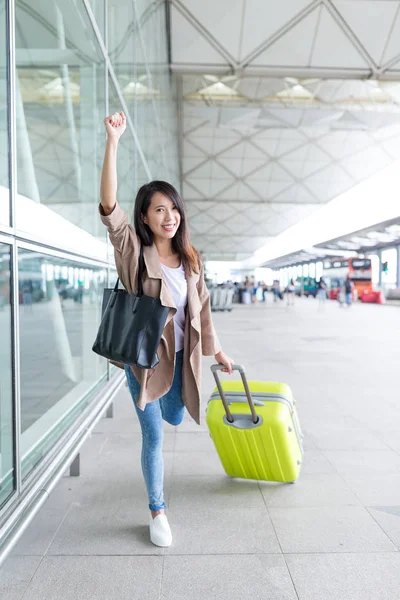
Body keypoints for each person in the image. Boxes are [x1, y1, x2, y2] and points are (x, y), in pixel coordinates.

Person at [99, 111, 234, 549]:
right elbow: (109, 210)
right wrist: (114, 142)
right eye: (159, 209)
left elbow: (204, 308)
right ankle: (158, 511)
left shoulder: (191, 258)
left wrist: (217, 352)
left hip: (182, 359)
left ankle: (171, 406)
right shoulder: (134, 253)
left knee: (176, 414)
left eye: (173, 208)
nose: (169, 215)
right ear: (145, 216)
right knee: (153, 433)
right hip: (144, 360)